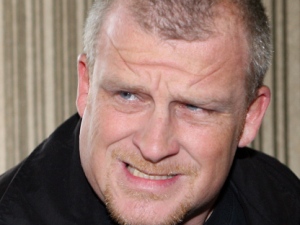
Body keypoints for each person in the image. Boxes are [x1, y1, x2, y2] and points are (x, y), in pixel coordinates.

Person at [0, 0, 299, 224]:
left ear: (250, 116)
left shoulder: (285, 205)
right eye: (128, 95)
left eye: (194, 107)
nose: (154, 147)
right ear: (86, 87)